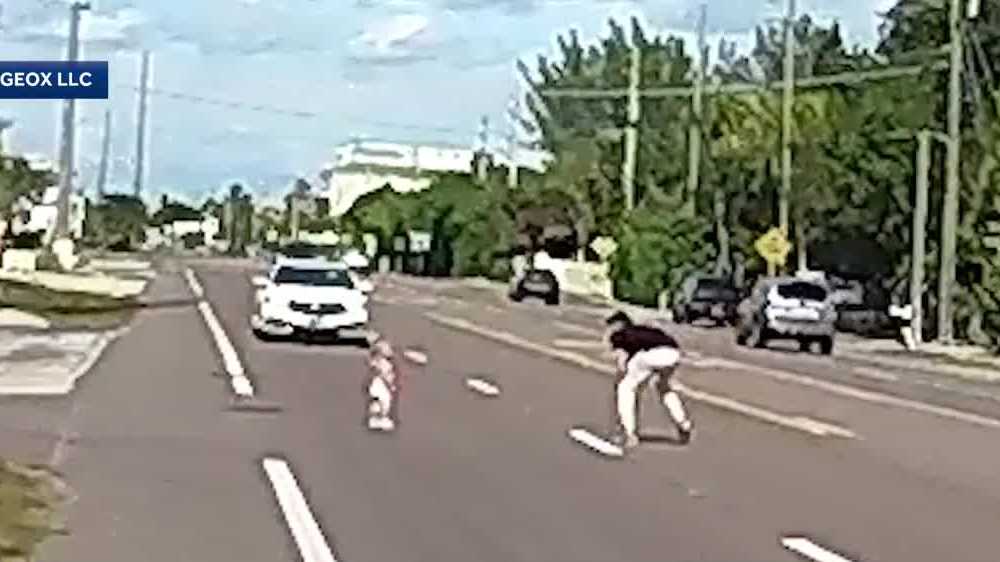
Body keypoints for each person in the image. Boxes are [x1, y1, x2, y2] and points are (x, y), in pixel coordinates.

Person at [605, 311, 693, 449]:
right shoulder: (644, 330)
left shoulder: (620, 335)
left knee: (626, 387)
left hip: (650, 355)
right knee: (664, 387)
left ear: (617, 325)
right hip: (673, 354)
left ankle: (629, 433)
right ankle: (683, 424)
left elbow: (622, 362)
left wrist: (624, 372)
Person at [366, 335, 402, 431]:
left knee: (382, 401)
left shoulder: (385, 362)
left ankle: (377, 419)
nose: (390, 350)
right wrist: (390, 383)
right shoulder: (381, 363)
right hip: (380, 384)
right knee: (384, 401)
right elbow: (384, 373)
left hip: (381, 384)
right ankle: (378, 419)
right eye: (387, 349)